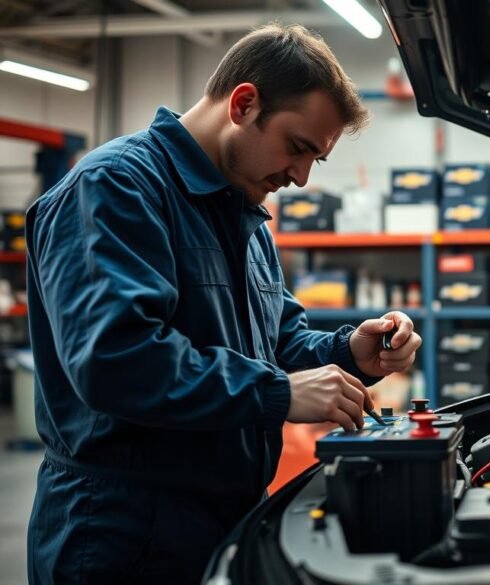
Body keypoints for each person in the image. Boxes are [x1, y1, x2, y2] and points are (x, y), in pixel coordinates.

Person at [25, 23, 421, 584]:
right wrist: (276, 394)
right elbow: (115, 360)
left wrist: (349, 351)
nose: (301, 177)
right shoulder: (114, 188)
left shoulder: (244, 214)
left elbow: (277, 343)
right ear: (244, 103)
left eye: (317, 161)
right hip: (124, 531)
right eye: (298, 147)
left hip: (223, 516)